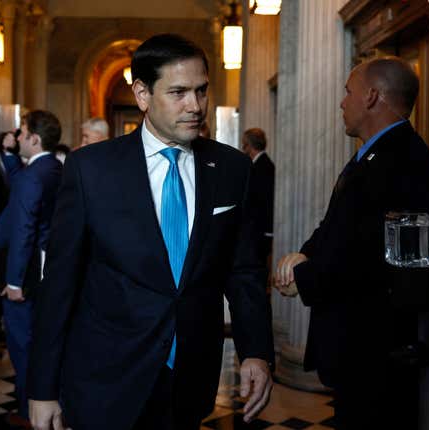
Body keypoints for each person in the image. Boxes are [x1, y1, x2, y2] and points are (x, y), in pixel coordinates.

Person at [27, 34, 274, 430]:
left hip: (191, 377)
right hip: (106, 377)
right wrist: (42, 389)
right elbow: (59, 285)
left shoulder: (232, 168)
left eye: (201, 90)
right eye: (178, 92)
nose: (195, 106)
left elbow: (243, 269)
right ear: (142, 94)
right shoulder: (90, 170)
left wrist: (257, 350)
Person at [275, 57, 429, 429]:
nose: (341, 102)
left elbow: (368, 259)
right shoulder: (374, 154)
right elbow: (337, 226)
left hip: (375, 348)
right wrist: (305, 252)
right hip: (356, 347)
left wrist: (304, 278)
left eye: (348, 92)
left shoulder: (403, 160)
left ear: (371, 96)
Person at [0, 111, 63, 427]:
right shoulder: (53, 167)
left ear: (34, 137)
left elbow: (23, 230)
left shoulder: (35, 175)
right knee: (38, 340)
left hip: (27, 274)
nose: (17, 138)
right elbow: (21, 186)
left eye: (22, 133)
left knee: (23, 345)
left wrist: (14, 281)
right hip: (47, 271)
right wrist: (7, 155)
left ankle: (29, 411)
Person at [241, 128, 275, 265]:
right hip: (259, 230)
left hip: (260, 231)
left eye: (244, 144)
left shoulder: (261, 167)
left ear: (249, 145)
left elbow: (262, 202)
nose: (242, 148)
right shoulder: (262, 164)